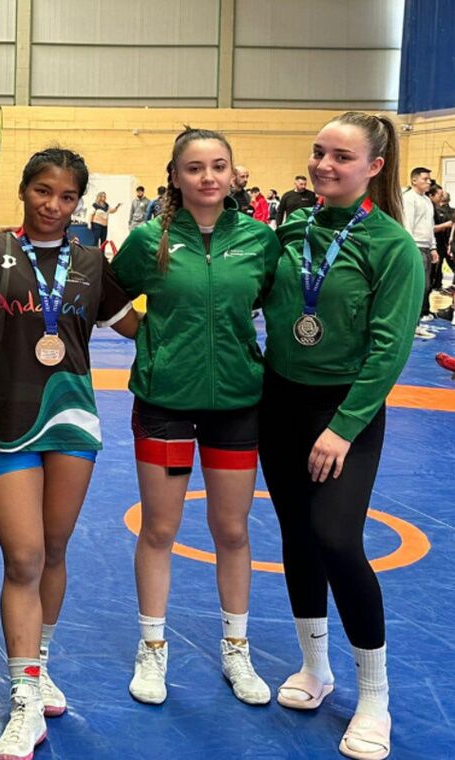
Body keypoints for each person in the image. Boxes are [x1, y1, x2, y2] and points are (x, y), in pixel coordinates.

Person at [0, 148, 138, 760]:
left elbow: (138, 326)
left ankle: (39, 667)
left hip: (75, 421)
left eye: (66, 197)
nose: (53, 206)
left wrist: (214, 314)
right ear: (25, 191)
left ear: (79, 201)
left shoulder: (90, 261)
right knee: (23, 557)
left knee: (54, 549)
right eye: (42, 192)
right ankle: (23, 699)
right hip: (6, 423)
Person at [259, 111, 421, 760]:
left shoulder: (391, 246)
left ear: (374, 168)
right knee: (297, 535)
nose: (325, 165)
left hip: (343, 412)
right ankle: (315, 668)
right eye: (319, 152)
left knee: (336, 538)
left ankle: (375, 698)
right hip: (280, 402)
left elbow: (390, 347)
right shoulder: (292, 226)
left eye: (342, 157)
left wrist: (344, 428)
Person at [110, 127, 280, 708]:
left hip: (237, 404)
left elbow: (272, 305)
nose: (208, 177)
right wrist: (148, 337)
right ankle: (153, 649)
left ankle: (237, 648)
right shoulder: (148, 240)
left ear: (235, 174)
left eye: (218, 166)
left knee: (232, 531)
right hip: (165, 404)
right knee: (160, 530)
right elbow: (106, 295)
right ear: (175, 176)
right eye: (194, 168)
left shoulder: (261, 240)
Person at [402, 166, 437, 337]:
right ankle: (410, 326)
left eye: (429, 179)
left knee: (425, 287)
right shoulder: (409, 199)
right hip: (414, 246)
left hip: (425, 247)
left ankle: (414, 323)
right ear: (414, 180)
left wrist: (433, 247)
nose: (429, 182)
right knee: (416, 287)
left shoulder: (427, 201)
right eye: (425, 179)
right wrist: (410, 249)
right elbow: (407, 225)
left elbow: (429, 227)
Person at [427, 185, 451, 293]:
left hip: (441, 244)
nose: (441, 198)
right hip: (431, 245)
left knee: (437, 268)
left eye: (442, 195)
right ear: (431, 195)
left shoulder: (434, 208)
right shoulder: (429, 208)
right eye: (439, 195)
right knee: (432, 270)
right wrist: (446, 225)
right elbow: (429, 229)